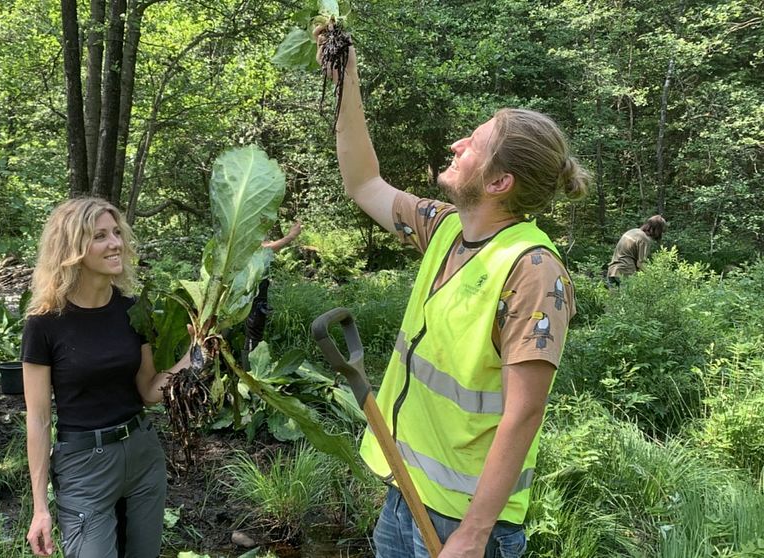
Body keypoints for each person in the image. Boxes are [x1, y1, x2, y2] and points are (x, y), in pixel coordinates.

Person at [314, 30, 588, 558]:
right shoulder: (444, 228)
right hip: (407, 493)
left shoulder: (532, 271)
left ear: (498, 182)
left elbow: (524, 413)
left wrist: (475, 533)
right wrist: (346, 82)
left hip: (466, 521)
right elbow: (364, 184)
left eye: (472, 144)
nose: (456, 145)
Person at [22, 198, 191, 558]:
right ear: (71, 247)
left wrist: (193, 357)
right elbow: (37, 419)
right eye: (100, 235)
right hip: (84, 466)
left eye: (116, 233)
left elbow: (148, 390)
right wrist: (40, 508)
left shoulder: (132, 311)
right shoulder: (44, 324)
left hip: (143, 454)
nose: (115, 243)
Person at [242, 220, 302, 368]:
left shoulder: (257, 224)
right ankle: (249, 373)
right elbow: (262, 249)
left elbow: (265, 244)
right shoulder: (248, 223)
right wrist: (290, 236)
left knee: (254, 329)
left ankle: (246, 371)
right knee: (252, 330)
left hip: (257, 286)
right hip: (249, 288)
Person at [606, 215, 667, 286]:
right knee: (628, 297)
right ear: (658, 230)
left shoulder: (633, 231)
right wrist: (654, 278)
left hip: (612, 271)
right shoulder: (644, 239)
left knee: (614, 297)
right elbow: (641, 263)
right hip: (625, 272)